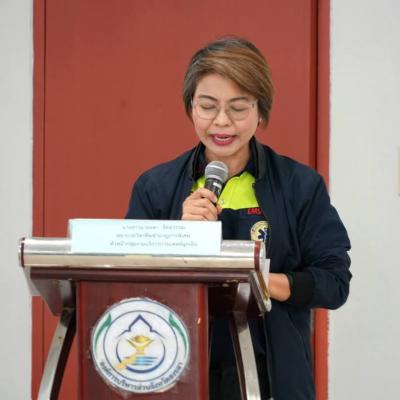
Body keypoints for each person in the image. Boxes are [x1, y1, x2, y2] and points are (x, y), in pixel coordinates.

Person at [126, 37, 351, 400]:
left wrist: (256, 281)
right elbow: (131, 288)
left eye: (238, 107)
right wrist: (178, 237)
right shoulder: (155, 187)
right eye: (207, 106)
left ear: (261, 111)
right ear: (190, 107)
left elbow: (333, 282)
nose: (222, 121)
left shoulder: (300, 186)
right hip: (178, 371)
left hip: (274, 376)